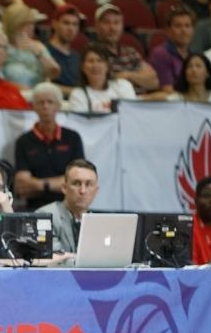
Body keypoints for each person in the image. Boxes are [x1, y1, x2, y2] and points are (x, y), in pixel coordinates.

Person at [15, 82, 85, 210]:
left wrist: (41, 185)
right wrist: (61, 184)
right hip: (35, 209)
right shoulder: (24, 141)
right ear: (33, 107)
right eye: (40, 102)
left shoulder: (72, 137)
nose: (45, 106)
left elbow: (78, 179)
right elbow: (22, 187)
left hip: (69, 207)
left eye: (50, 102)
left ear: (59, 106)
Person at [35, 159, 99, 254]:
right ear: (64, 188)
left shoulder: (98, 223)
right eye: (76, 183)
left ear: (96, 191)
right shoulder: (45, 216)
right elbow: (52, 256)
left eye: (88, 184)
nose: (83, 191)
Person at [94, 3, 159, 93]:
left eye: (116, 23)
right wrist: (139, 77)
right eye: (106, 22)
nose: (112, 28)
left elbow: (154, 82)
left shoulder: (130, 52)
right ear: (97, 26)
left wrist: (127, 75)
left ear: (122, 27)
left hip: (140, 98)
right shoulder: (92, 54)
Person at [1, 3, 60, 93]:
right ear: (14, 25)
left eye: (32, 24)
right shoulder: (1, 46)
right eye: (26, 24)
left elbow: (54, 72)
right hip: (9, 94)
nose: (31, 28)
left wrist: (39, 55)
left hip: (36, 96)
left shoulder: (38, 46)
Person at [68, 43, 137, 113]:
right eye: (90, 61)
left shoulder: (123, 86)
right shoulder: (78, 95)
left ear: (107, 66)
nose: (95, 65)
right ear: (83, 67)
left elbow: (132, 115)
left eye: (100, 60)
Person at [149, 5, 194, 92]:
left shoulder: (193, 55)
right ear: (168, 30)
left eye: (187, 26)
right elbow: (167, 89)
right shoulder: (160, 54)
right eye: (178, 26)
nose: (184, 30)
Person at [46, 4, 82, 97]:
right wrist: (76, 92)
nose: (71, 28)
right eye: (66, 23)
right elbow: (43, 85)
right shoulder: (43, 51)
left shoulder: (78, 57)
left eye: (75, 24)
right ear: (54, 24)